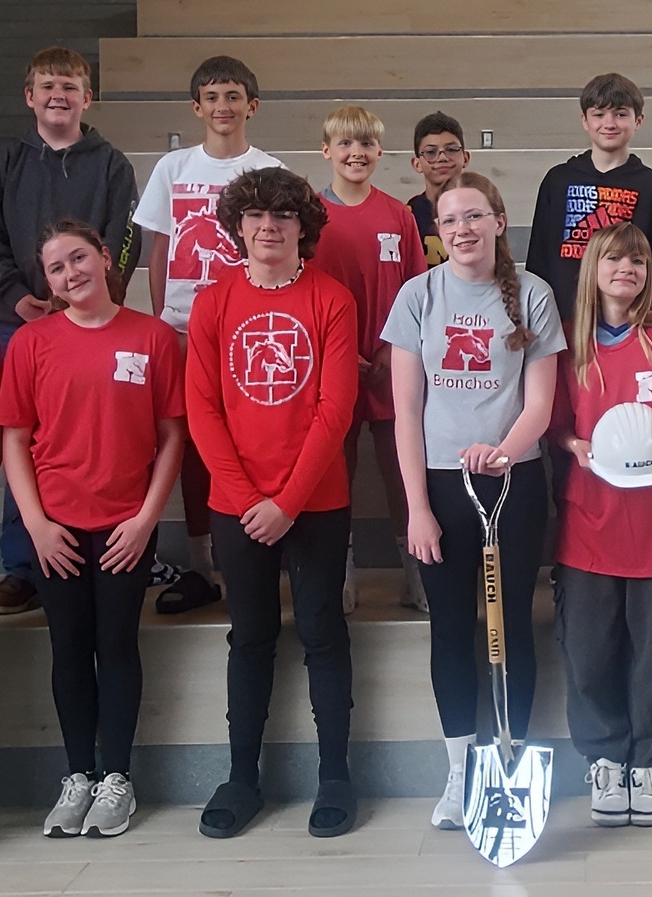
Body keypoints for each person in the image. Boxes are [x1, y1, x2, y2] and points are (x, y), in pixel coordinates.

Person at [382, 172, 565, 831]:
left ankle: (508, 760)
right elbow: (406, 410)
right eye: (448, 219)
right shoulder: (417, 296)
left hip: (513, 485)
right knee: (452, 627)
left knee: (512, 623)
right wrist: (416, 508)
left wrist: (503, 450)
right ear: (438, 230)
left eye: (473, 216)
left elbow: (540, 404)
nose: (460, 229)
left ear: (498, 221)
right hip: (439, 488)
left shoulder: (534, 295)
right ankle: (461, 771)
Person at [187, 168, 362, 839]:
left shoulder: (332, 300)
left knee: (323, 634)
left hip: (314, 502)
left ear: (302, 227)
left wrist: (286, 501)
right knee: (250, 638)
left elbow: (336, 408)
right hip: (237, 503)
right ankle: (242, 776)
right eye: (256, 215)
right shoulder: (212, 303)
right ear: (237, 225)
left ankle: (336, 775)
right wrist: (244, 496)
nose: (269, 226)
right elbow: (201, 410)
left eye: (283, 216)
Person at [0, 221, 185, 840]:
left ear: (106, 258)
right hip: (56, 530)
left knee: (118, 644)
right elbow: (15, 439)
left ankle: (117, 779)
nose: (70, 273)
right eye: (56, 268)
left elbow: (170, 438)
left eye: (79, 258)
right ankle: (77, 774)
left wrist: (144, 521)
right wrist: (36, 526)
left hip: (126, 527)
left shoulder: (154, 337)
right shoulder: (32, 343)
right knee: (70, 648)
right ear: (47, 281)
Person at [0, 46, 139, 616]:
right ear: (30, 96)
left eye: (69, 86)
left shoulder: (112, 164)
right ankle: (25, 565)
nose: (58, 95)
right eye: (47, 86)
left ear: (87, 97)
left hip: (90, 324)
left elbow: (123, 243)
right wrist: (18, 299)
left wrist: (90, 305)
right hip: (18, 325)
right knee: (24, 438)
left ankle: (95, 551)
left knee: (87, 438)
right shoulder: (4, 162)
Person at [549, 222, 652, 828]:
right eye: (614, 258)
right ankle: (606, 759)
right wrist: (576, 445)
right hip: (589, 522)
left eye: (637, 260)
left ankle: (650, 762)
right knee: (588, 653)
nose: (627, 269)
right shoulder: (569, 340)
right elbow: (556, 423)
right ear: (593, 268)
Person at [132, 55, 284, 612]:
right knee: (193, 445)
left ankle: (252, 555)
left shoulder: (268, 171)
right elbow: (160, 250)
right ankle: (202, 568)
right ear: (197, 108)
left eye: (233, 96)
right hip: (181, 329)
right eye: (213, 97)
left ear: (252, 106)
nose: (223, 107)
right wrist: (162, 321)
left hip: (245, 331)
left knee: (246, 439)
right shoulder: (173, 168)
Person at [311, 105, 430, 614]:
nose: (355, 153)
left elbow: (418, 290)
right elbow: (303, 294)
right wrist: (337, 353)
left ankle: (415, 571)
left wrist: (390, 346)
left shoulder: (397, 215)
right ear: (326, 151)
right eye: (345, 144)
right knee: (335, 474)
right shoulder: (310, 217)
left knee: (402, 471)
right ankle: (342, 569)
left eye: (365, 145)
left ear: (381, 153)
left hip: (390, 363)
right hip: (332, 366)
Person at [526, 73, 652, 317]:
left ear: (638, 120)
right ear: (585, 120)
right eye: (599, 115)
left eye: (620, 114)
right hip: (565, 318)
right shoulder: (558, 180)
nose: (609, 123)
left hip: (628, 320)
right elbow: (539, 257)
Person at [406, 111, 470, 267]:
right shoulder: (408, 215)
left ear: (465, 158)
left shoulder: (481, 209)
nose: (442, 157)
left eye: (451, 149)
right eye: (430, 152)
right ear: (417, 164)